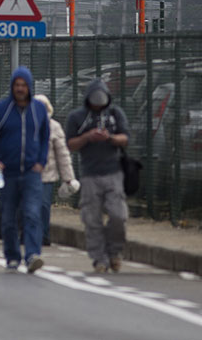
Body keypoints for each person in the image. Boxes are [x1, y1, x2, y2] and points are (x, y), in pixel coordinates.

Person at [0, 67, 50, 274]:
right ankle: (12, 256)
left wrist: (41, 161)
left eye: (24, 85)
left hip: (31, 172)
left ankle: (32, 255)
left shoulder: (38, 110)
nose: (20, 89)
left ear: (29, 87)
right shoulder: (1, 110)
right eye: (17, 85)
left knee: (32, 213)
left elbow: (45, 138)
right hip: (8, 171)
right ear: (12, 86)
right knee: (8, 217)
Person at [65, 79, 130, 273]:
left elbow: (125, 138)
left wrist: (109, 138)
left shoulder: (115, 114)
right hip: (90, 174)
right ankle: (98, 258)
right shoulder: (76, 117)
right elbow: (70, 144)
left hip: (113, 172)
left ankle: (114, 252)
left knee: (119, 216)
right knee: (92, 220)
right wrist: (87, 137)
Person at [35, 94, 77, 247]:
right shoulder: (24, 125)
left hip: (48, 174)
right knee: (27, 205)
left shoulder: (54, 127)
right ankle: (27, 233)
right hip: (27, 174)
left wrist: (68, 178)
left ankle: (44, 235)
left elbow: (63, 155)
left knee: (44, 205)